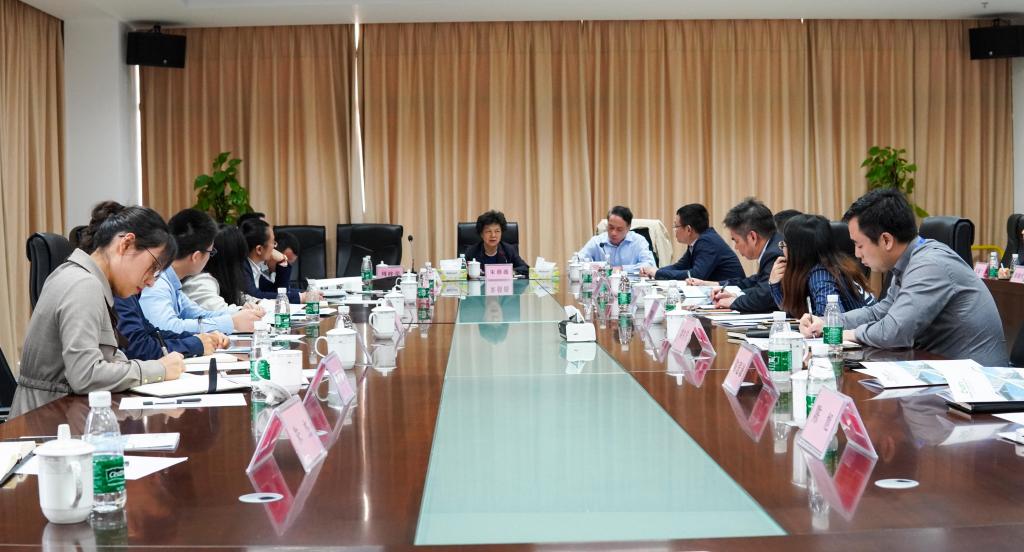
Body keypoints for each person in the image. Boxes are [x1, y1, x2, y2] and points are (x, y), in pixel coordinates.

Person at [10, 202, 186, 417]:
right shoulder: (83, 285)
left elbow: (104, 361)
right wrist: (159, 369)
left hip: (62, 413)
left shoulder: (84, 279)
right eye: (153, 268)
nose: (151, 281)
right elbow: (85, 375)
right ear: (126, 244)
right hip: (48, 420)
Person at [800, 189, 1008, 366]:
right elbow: (880, 312)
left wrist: (843, 334)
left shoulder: (929, 265)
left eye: (859, 245)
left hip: (977, 382)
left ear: (886, 240)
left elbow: (894, 331)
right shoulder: (909, 261)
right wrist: (827, 323)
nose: (857, 254)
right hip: (942, 370)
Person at [140, 209, 262, 334]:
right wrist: (232, 322)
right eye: (211, 252)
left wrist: (239, 313)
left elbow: (198, 314)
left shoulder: (171, 280)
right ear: (196, 256)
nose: (210, 257)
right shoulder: (157, 281)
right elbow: (167, 327)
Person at [767, 214, 875, 318]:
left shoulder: (821, 275)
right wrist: (774, 284)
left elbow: (830, 322)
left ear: (798, 251)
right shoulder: (835, 264)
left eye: (784, 245)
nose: (783, 251)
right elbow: (794, 315)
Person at [690, 198, 782, 313]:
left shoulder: (775, 254)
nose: (736, 247)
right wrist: (735, 294)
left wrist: (733, 302)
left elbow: (764, 297)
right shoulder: (773, 246)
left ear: (752, 237)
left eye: (736, 241)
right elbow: (757, 282)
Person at [640, 203, 745, 282]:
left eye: (676, 226)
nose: (674, 230)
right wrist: (654, 271)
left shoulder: (707, 242)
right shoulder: (698, 241)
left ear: (689, 229)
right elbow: (679, 266)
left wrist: (657, 273)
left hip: (732, 291)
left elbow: (696, 275)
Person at [182, 225, 261, 313]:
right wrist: (244, 310)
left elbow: (240, 297)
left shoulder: (221, 278)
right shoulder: (200, 281)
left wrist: (257, 303)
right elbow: (222, 313)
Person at [240, 219, 320, 302]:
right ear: (259, 249)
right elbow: (254, 296)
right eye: (273, 242)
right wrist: (300, 297)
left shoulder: (253, 268)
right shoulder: (241, 267)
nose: (275, 247)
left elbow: (277, 291)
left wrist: (283, 262)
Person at [578, 206, 657, 272]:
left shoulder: (639, 241)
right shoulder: (597, 241)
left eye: (619, 229)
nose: (613, 233)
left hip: (631, 284)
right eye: (611, 227)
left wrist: (622, 269)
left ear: (628, 228)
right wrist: (590, 266)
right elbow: (577, 261)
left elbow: (650, 265)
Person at [463, 210, 529, 276]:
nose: (493, 235)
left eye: (497, 231)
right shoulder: (472, 251)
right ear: (481, 234)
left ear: (501, 233)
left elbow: (525, 268)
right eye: (488, 231)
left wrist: (512, 272)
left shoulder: (508, 250)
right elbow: (461, 271)